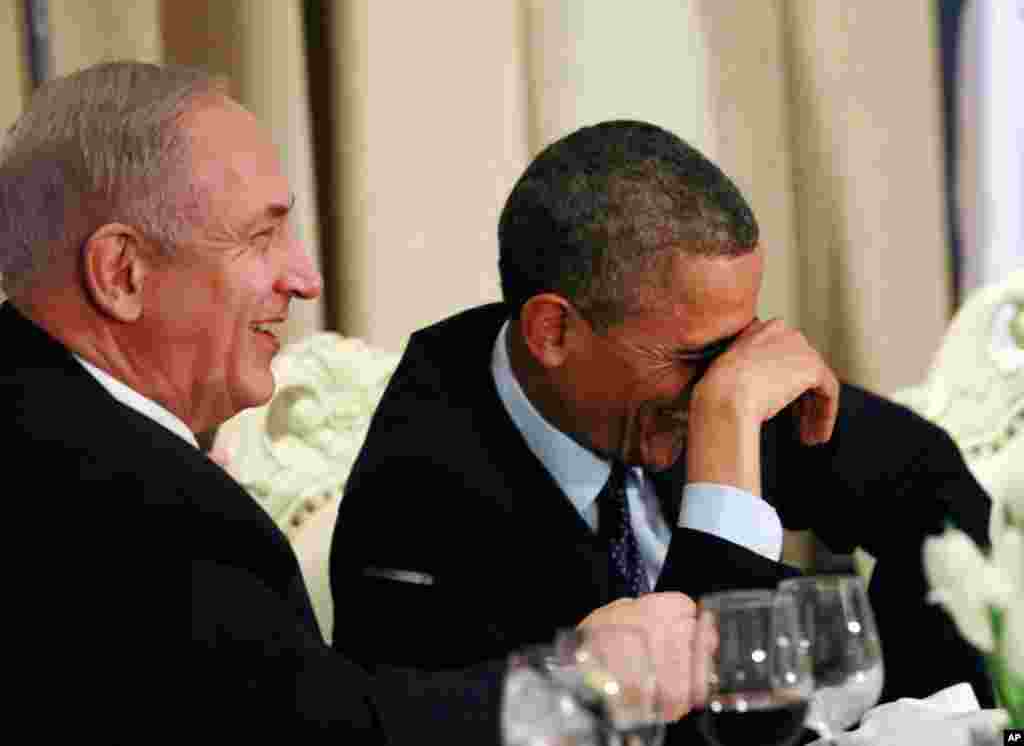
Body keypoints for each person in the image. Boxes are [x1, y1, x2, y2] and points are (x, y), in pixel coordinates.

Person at [0, 64, 709, 743]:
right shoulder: (128, 501)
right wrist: (580, 687)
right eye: (261, 236)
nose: (304, 278)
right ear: (122, 272)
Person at [329, 120, 994, 739]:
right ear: (553, 332)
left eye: (740, 345)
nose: (728, 381)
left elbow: (925, 483)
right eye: (697, 359)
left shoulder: (689, 371)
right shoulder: (417, 499)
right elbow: (705, 731)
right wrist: (725, 460)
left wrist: (912, 719)